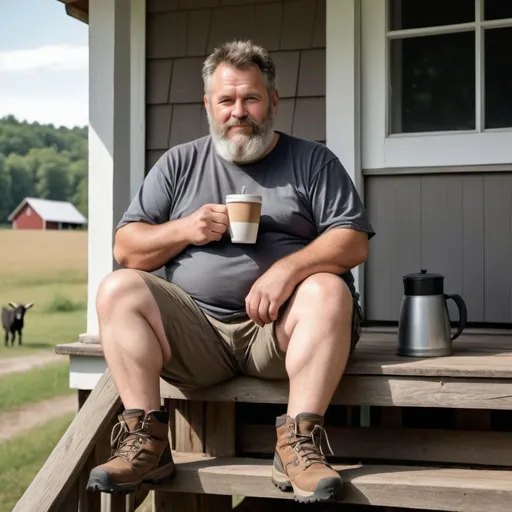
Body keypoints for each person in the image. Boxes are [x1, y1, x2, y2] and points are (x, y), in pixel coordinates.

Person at [86, 39, 375, 504]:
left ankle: (298, 444)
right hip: (196, 337)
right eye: (226, 100)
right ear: (208, 105)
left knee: (327, 287)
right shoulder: (180, 163)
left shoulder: (313, 161)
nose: (238, 111)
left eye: (251, 98)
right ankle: (146, 442)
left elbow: (352, 240)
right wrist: (184, 229)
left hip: (279, 336)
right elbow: (127, 248)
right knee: (118, 288)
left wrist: (288, 271)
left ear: (273, 101)